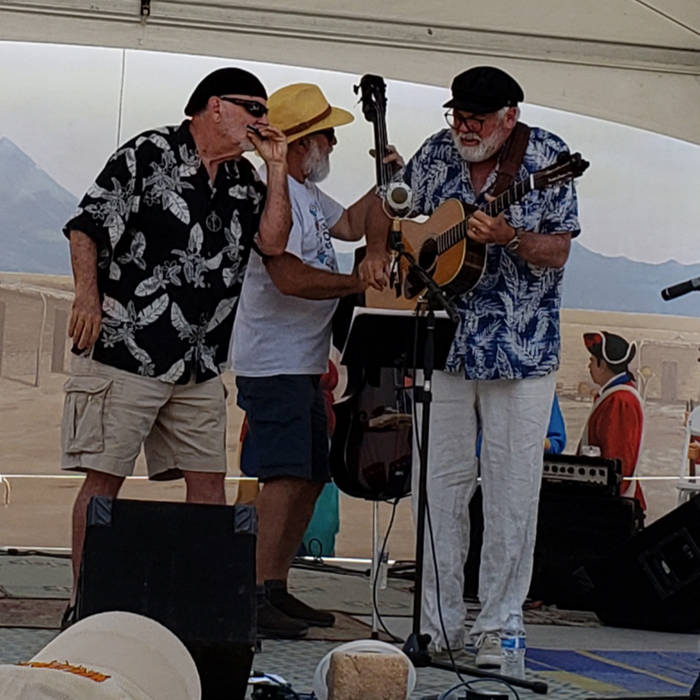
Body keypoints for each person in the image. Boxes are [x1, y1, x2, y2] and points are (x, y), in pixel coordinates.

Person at [361, 66, 581, 666]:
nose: (464, 127)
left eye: (477, 119)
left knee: (511, 492)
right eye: (457, 115)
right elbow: (388, 203)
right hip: (445, 344)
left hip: (520, 350)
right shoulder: (438, 153)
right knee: (438, 486)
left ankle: (499, 627)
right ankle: (436, 625)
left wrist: (511, 237)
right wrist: (380, 248)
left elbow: (559, 249)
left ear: (509, 117)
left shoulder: (548, 158)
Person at [60, 67, 291, 623]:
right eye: (253, 109)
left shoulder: (244, 179)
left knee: (209, 487)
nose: (262, 121)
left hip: (200, 359)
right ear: (215, 106)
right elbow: (87, 225)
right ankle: (83, 605)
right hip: (128, 348)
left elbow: (273, 242)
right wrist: (87, 297)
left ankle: (199, 613)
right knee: (104, 481)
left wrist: (278, 168)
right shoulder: (148, 153)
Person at [230, 82, 393, 639]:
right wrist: (357, 284)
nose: (334, 145)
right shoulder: (273, 196)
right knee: (284, 476)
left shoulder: (307, 195)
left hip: (302, 362)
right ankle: (252, 591)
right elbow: (289, 277)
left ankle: (273, 585)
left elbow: (353, 223)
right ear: (303, 142)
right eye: (327, 135)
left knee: (309, 474)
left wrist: (388, 186)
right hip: (274, 361)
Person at [578, 331, 646, 510]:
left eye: (592, 360)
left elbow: (617, 461)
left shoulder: (620, 401)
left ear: (603, 365)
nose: (589, 365)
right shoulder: (614, 396)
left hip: (611, 506)